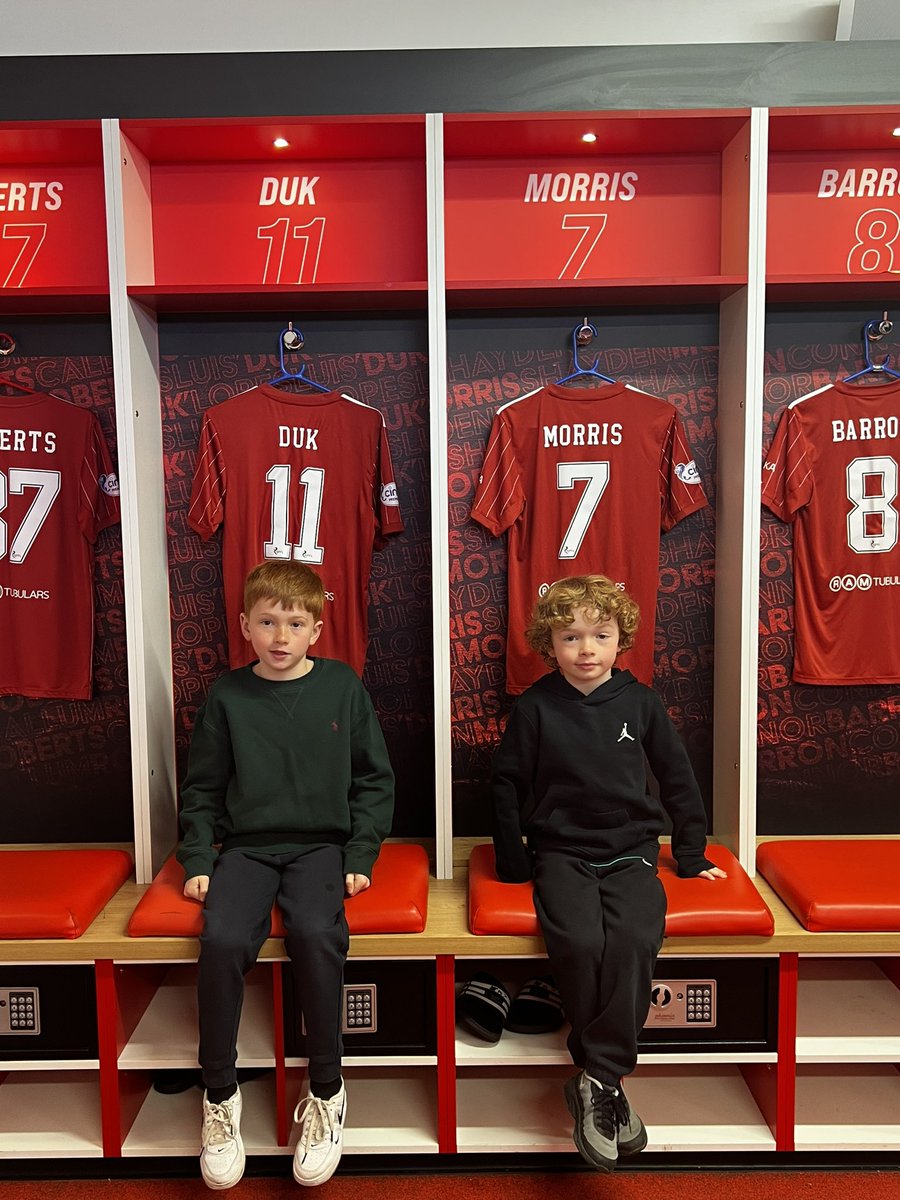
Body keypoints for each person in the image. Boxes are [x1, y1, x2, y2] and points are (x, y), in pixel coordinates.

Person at [490, 574, 726, 1173]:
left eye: (601, 635)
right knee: (577, 938)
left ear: (622, 640)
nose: (587, 649)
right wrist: (514, 861)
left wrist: (692, 855)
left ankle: (596, 1075)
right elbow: (506, 786)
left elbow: (678, 779)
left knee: (635, 937)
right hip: (561, 851)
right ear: (551, 644)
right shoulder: (537, 705)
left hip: (630, 849)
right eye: (571, 637)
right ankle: (608, 1082)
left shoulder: (641, 702)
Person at [177, 560, 394, 1190]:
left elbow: (375, 780)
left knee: (316, 935)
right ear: (245, 626)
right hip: (245, 848)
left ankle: (326, 1089)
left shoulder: (342, 686)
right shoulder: (227, 695)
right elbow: (203, 787)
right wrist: (196, 856)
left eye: (293, 623)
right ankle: (219, 1095)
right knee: (219, 941)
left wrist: (361, 853)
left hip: (321, 847)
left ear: (315, 631)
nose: (279, 636)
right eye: (267, 622)